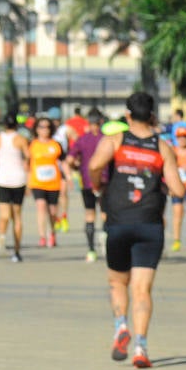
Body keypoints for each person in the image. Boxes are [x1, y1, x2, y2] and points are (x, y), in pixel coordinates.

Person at [88, 91, 186, 368]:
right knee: (142, 290)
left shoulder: (116, 140)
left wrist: (99, 186)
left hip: (119, 222)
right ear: (153, 115)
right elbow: (178, 189)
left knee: (118, 282)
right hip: (150, 223)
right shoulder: (162, 147)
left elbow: (94, 165)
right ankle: (141, 347)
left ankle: (121, 327)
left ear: (128, 115)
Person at [0, 113, 30, 262]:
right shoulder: (21, 139)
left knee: (4, 214)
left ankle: (2, 237)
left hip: (2, 179)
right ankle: (17, 250)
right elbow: (28, 157)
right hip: (18, 179)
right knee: (17, 216)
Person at [67, 109, 106, 261]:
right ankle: (105, 238)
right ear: (101, 122)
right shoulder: (107, 139)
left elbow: (70, 160)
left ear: (88, 123)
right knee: (105, 213)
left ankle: (91, 250)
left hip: (87, 181)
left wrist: (76, 167)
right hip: (104, 181)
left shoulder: (82, 140)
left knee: (89, 214)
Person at [28, 117, 68, 248]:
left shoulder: (56, 145)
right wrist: (27, 183)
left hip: (53, 183)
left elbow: (63, 162)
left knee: (52, 211)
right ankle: (42, 236)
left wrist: (67, 177)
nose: (44, 130)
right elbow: (27, 164)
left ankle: (52, 233)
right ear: (36, 129)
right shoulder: (32, 145)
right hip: (37, 182)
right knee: (40, 206)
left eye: (47, 127)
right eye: (41, 127)